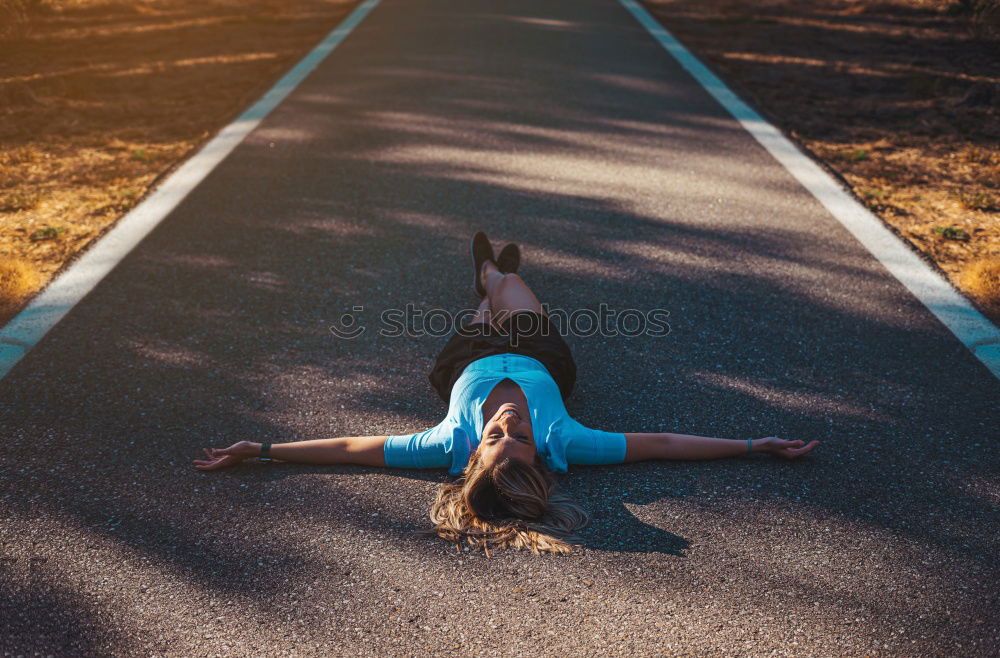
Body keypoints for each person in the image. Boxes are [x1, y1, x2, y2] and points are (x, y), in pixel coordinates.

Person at [194, 233, 820, 554]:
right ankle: (496, 273)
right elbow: (660, 443)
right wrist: (751, 442)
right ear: (540, 457)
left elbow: (353, 447)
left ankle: (484, 282)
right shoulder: (565, 442)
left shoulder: (444, 442)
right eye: (520, 438)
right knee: (514, 285)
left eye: (500, 437)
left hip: (462, 364)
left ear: (474, 454)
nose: (513, 426)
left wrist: (268, 449)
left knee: (483, 311)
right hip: (536, 353)